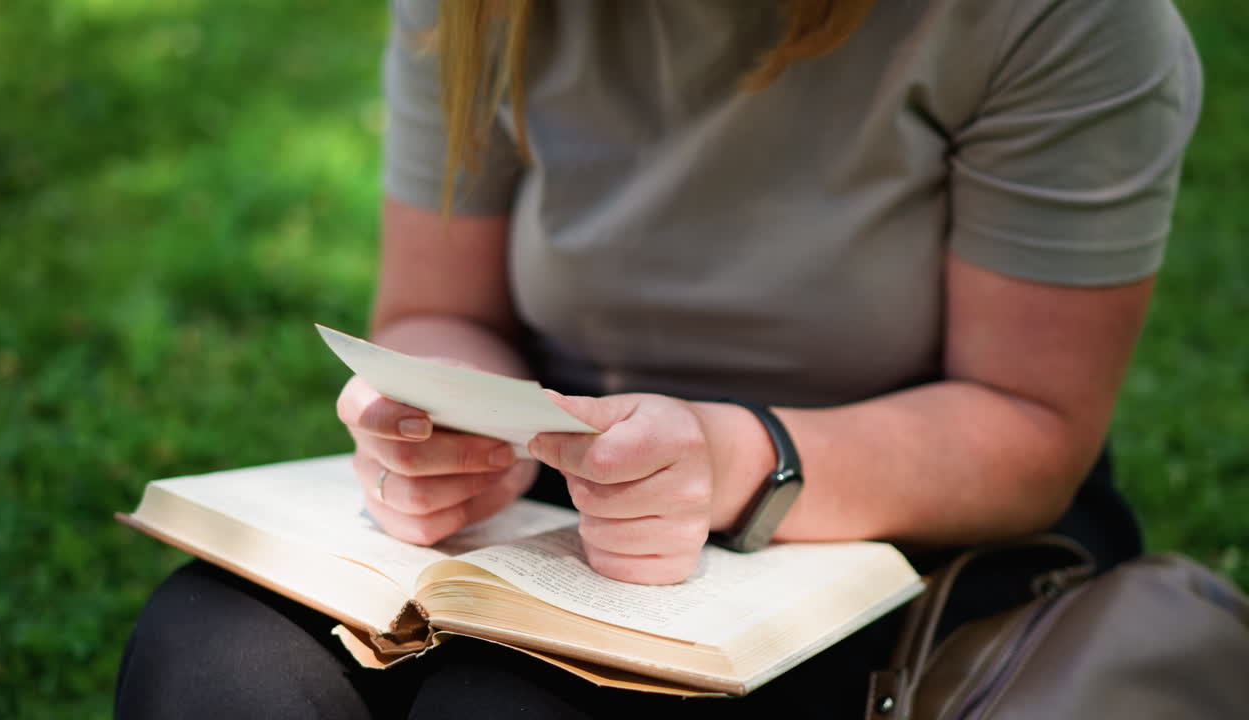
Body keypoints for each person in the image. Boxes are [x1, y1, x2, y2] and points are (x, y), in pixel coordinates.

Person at [115, 0, 1202, 717]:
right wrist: (440, 419)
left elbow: (1027, 426)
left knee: (505, 707)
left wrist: (732, 458)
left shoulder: (1062, 22)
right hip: (568, 488)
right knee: (213, 659)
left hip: (887, 515)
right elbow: (438, 308)